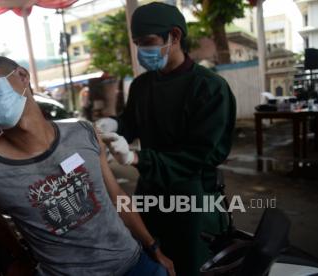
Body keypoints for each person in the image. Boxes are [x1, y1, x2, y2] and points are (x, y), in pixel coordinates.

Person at [0, 55, 176, 276]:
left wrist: (153, 246)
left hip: (135, 264)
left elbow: (116, 194)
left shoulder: (83, 133)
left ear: (23, 76)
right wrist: (20, 257)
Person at [97, 2, 237, 276]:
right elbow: (132, 123)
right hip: (150, 190)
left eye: (147, 42)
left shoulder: (209, 87)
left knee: (190, 263)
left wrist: (137, 157)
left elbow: (204, 154)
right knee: (153, 257)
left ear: (174, 36)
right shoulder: (142, 85)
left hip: (192, 195)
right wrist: (115, 124)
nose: (141, 51)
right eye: (137, 43)